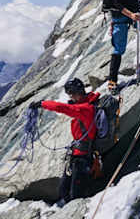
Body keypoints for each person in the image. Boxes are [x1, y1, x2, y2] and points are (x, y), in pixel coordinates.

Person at [29, 78, 98, 206]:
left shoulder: (86, 109)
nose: (71, 95)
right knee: (64, 191)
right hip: (76, 156)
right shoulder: (81, 106)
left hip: (82, 158)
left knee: (75, 195)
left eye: (73, 92)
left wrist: (42, 104)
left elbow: (61, 107)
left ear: (80, 91)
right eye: (69, 93)